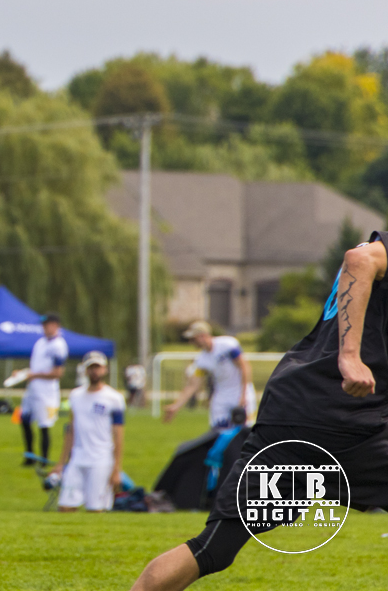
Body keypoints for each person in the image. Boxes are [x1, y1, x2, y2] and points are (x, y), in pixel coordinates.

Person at [130, 235, 388, 590]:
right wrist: (350, 357)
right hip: (344, 417)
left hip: (291, 411)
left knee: (214, 548)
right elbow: (357, 261)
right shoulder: (376, 253)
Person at [52, 351, 126, 512]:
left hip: (101, 459)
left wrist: (116, 469)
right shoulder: (75, 396)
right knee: (65, 507)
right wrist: (61, 463)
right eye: (91, 368)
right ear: (85, 370)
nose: (94, 371)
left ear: (105, 370)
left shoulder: (114, 398)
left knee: (95, 509)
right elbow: (70, 430)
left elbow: (118, 435)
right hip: (78, 458)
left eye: (98, 367)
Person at [162, 320, 255, 429]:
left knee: (246, 431)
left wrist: (244, 395)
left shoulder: (227, 345)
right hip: (221, 395)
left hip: (240, 391)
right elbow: (193, 385)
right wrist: (176, 406)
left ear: (203, 336)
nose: (191, 342)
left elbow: (244, 367)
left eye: (193, 339)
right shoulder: (201, 360)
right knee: (218, 431)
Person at [20, 314, 69, 465]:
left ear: (55, 325)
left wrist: (34, 374)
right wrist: (23, 373)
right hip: (33, 388)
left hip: (46, 391)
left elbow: (57, 373)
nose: (44, 327)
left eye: (46, 324)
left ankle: (44, 458)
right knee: (25, 419)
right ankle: (29, 455)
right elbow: (37, 367)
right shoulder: (40, 343)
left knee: (44, 425)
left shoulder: (59, 345)